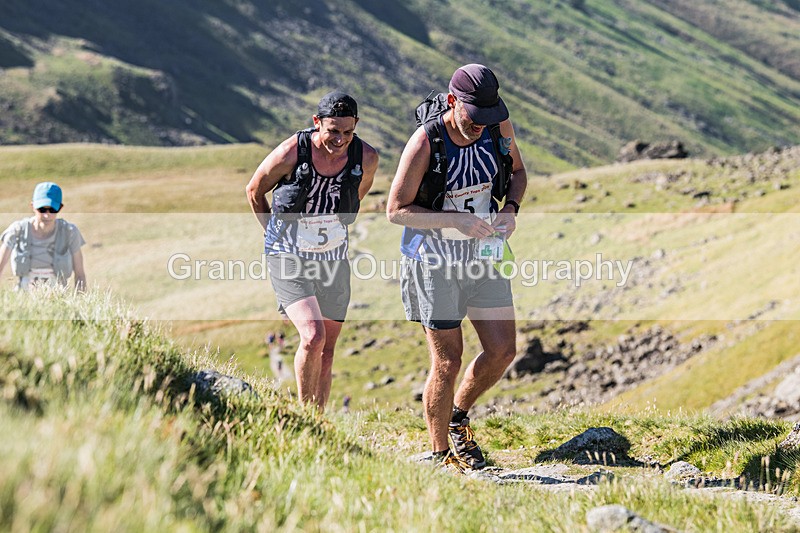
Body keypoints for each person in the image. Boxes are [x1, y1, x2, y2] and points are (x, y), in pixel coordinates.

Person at [386, 64, 527, 472]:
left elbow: (518, 173)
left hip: (484, 254)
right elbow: (396, 210)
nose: (481, 125)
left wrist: (511, 209)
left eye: (488, 116)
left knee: (502, 350)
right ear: (452, 102)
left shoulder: (496, 126)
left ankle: (458, 417)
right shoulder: (425, 142)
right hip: (433, 260)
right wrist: (455, 220)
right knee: (448, 360)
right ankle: (440, 455)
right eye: (473, 117)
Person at [246, 91, 378, 411]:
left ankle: (319, 422)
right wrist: (273, 234)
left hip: (333, 258)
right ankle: (306, 415)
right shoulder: (292, 152)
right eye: (333, 131)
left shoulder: (366, 157)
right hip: (288, 255)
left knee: (327, 351)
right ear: (317, 122)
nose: (340, 140)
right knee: (313, 337)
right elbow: (254, 190)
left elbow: (358, 195)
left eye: (348, 132)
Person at [0, 182, 87, 292]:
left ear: (60, 207)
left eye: (53, 209)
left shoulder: (70, 232)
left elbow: (80, 275)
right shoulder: (17, 230)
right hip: (23, 295)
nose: (47, 215)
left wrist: (79, 301)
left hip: (59, 297)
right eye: (42, 209)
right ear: (33, 206)